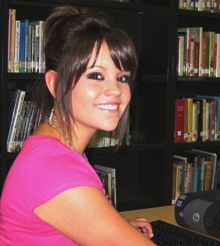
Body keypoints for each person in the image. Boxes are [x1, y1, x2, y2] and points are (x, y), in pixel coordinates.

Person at [0, 5, 156, 245]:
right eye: (96, 75)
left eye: (122, 77)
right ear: (55, 83)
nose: (116, 90)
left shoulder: (51, 145)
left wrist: (109, 225)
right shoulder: (55, 171)